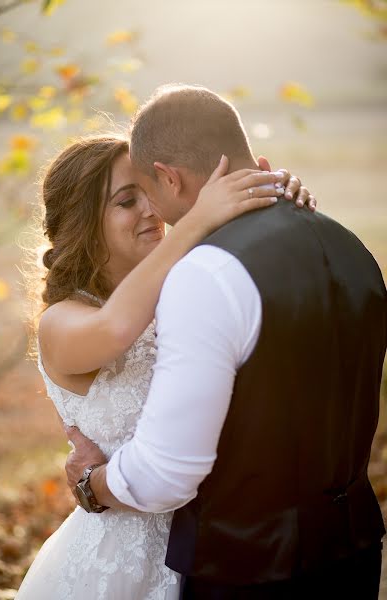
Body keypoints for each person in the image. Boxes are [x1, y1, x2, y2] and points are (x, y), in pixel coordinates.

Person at [66, 85, 387, 600]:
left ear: (169, 177)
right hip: (353, 554)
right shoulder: (348, 244)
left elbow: (166, 473)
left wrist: (92, 484)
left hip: (247, 571)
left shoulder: (206, 274)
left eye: (151, 190)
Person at [15, 132, 314, 600]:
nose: (151, 211)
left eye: (150, 192)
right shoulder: (62, 321)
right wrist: (199, 219)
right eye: (125, 201)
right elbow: (116, 329)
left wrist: (277, 198)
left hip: (217, 551)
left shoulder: (187, 285)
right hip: (118, 568)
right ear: (82, 225)